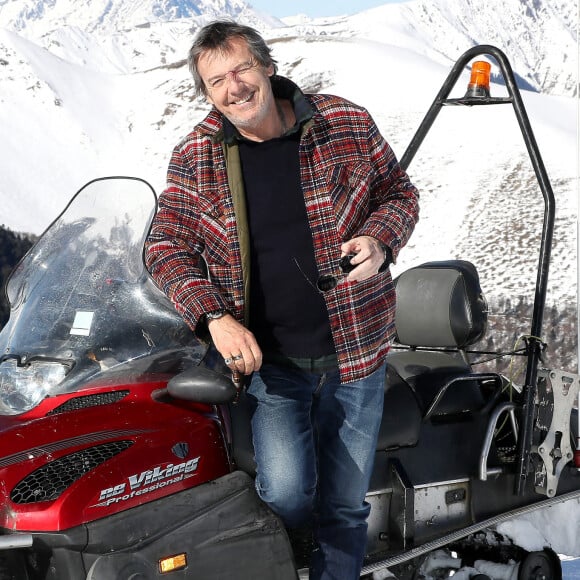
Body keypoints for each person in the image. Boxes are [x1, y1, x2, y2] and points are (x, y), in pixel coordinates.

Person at [144, 20, 419, 580]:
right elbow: (164, 247)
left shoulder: (343, 121)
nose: (234, 88)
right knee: (286, 496)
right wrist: (213, 317)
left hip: (357, 355)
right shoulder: (197, 156)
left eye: (242, 69)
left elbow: (400, 192)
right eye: (216, 81)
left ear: (268, 67)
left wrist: (381, 239)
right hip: (270, 365)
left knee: (344, 505)